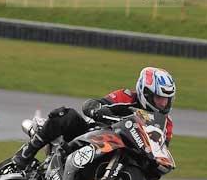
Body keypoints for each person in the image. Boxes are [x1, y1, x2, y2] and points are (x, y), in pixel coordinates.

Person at [11, 66, 176, 170]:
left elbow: (159, 149)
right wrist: (98, 111)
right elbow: (93, 104)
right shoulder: (125, 96)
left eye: (167, 99)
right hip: (92, 135)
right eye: (159, 98)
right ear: (145, 93)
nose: (163, 103)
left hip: (126, 155)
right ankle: (26, 153)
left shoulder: (166, 124)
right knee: (66, 115)